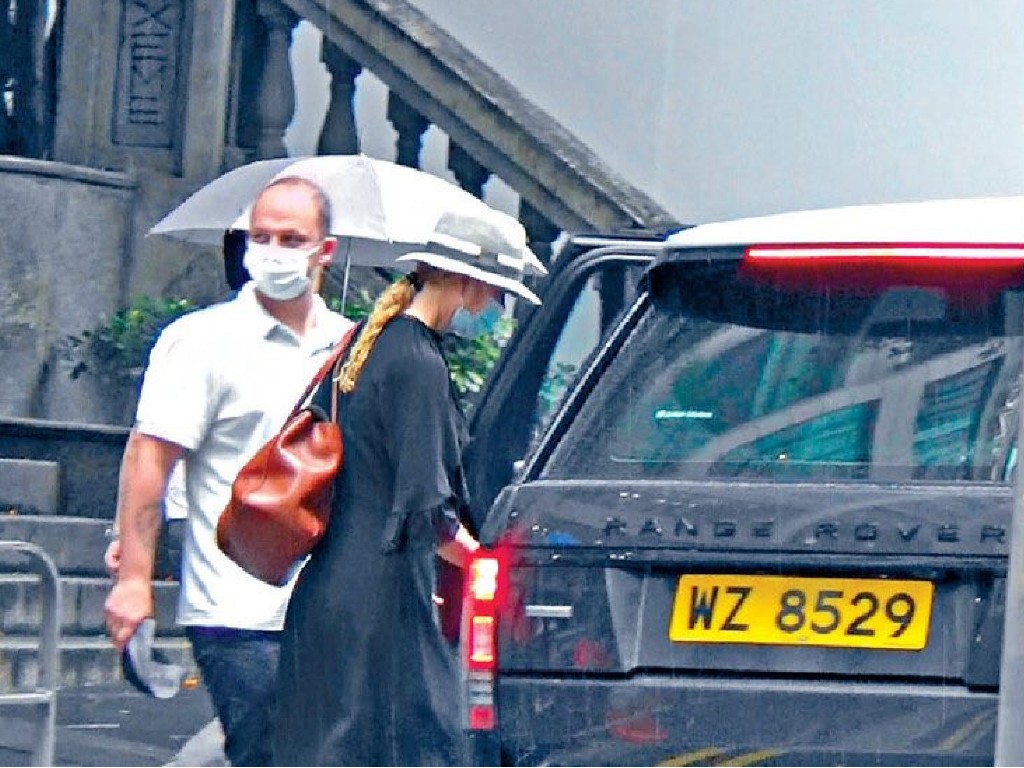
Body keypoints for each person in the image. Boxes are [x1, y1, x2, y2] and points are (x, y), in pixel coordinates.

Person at [272, 211, 542, 766]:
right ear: (468, 284)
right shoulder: (419, 363)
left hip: (332, 589)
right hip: (386, 602)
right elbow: (427, 510)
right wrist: (488, 563)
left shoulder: (370, 346)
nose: (494, 310)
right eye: (495, 294)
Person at [103, 175, 354, 766]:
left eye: (291, 238)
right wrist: (135, 578)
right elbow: (150, 460)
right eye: (259, 236)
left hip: (326, 601)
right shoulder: (202, 343)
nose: (271, 251)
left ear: (326, 251)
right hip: (234, 605)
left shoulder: (349, 347)